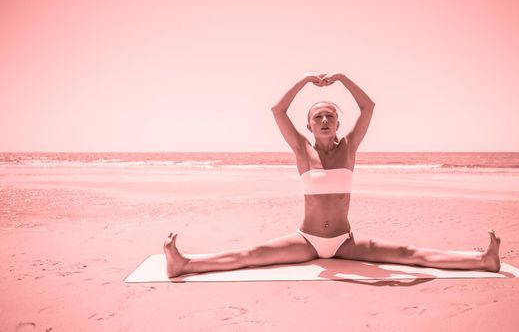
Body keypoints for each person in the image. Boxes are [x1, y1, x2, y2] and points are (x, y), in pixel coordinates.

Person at [164, 72, 501, 278]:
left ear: (337, 123)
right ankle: (184, 265)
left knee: (409, 255)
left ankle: (482, 261)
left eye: (329, 116)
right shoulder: (301, 150)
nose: (324, 121)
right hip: (306, 240)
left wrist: (341, 77)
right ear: (309, 125)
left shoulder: (350, 147)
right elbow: (277, 110)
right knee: (249, 256)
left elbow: (368, 107)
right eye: (317, 117)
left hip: (345, 241)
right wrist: (304, 82)